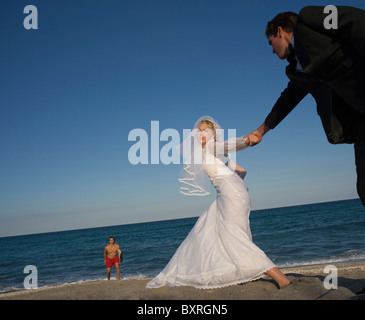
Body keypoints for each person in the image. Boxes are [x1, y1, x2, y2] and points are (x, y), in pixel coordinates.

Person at [146, 116, 290, 289]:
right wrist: (231, 182)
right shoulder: (214, 155)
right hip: (234, 191)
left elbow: (228, 145)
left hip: (231, 193)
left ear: (213, 134)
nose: (201, 134)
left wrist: (246, 140)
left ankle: (281, 279)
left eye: (205, 130)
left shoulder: (212, 147)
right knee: (213, 227)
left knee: (234, 237)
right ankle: (243, 273)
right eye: (199, 131)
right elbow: (242, 171)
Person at [245, 6, 365, 205]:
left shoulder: (309, 19)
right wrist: (260, 132)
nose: (272, 50)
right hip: (359, 120)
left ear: (280, 31)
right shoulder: (297, 70)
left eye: (271, 42)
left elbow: (353, 21)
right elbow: (288, 99)